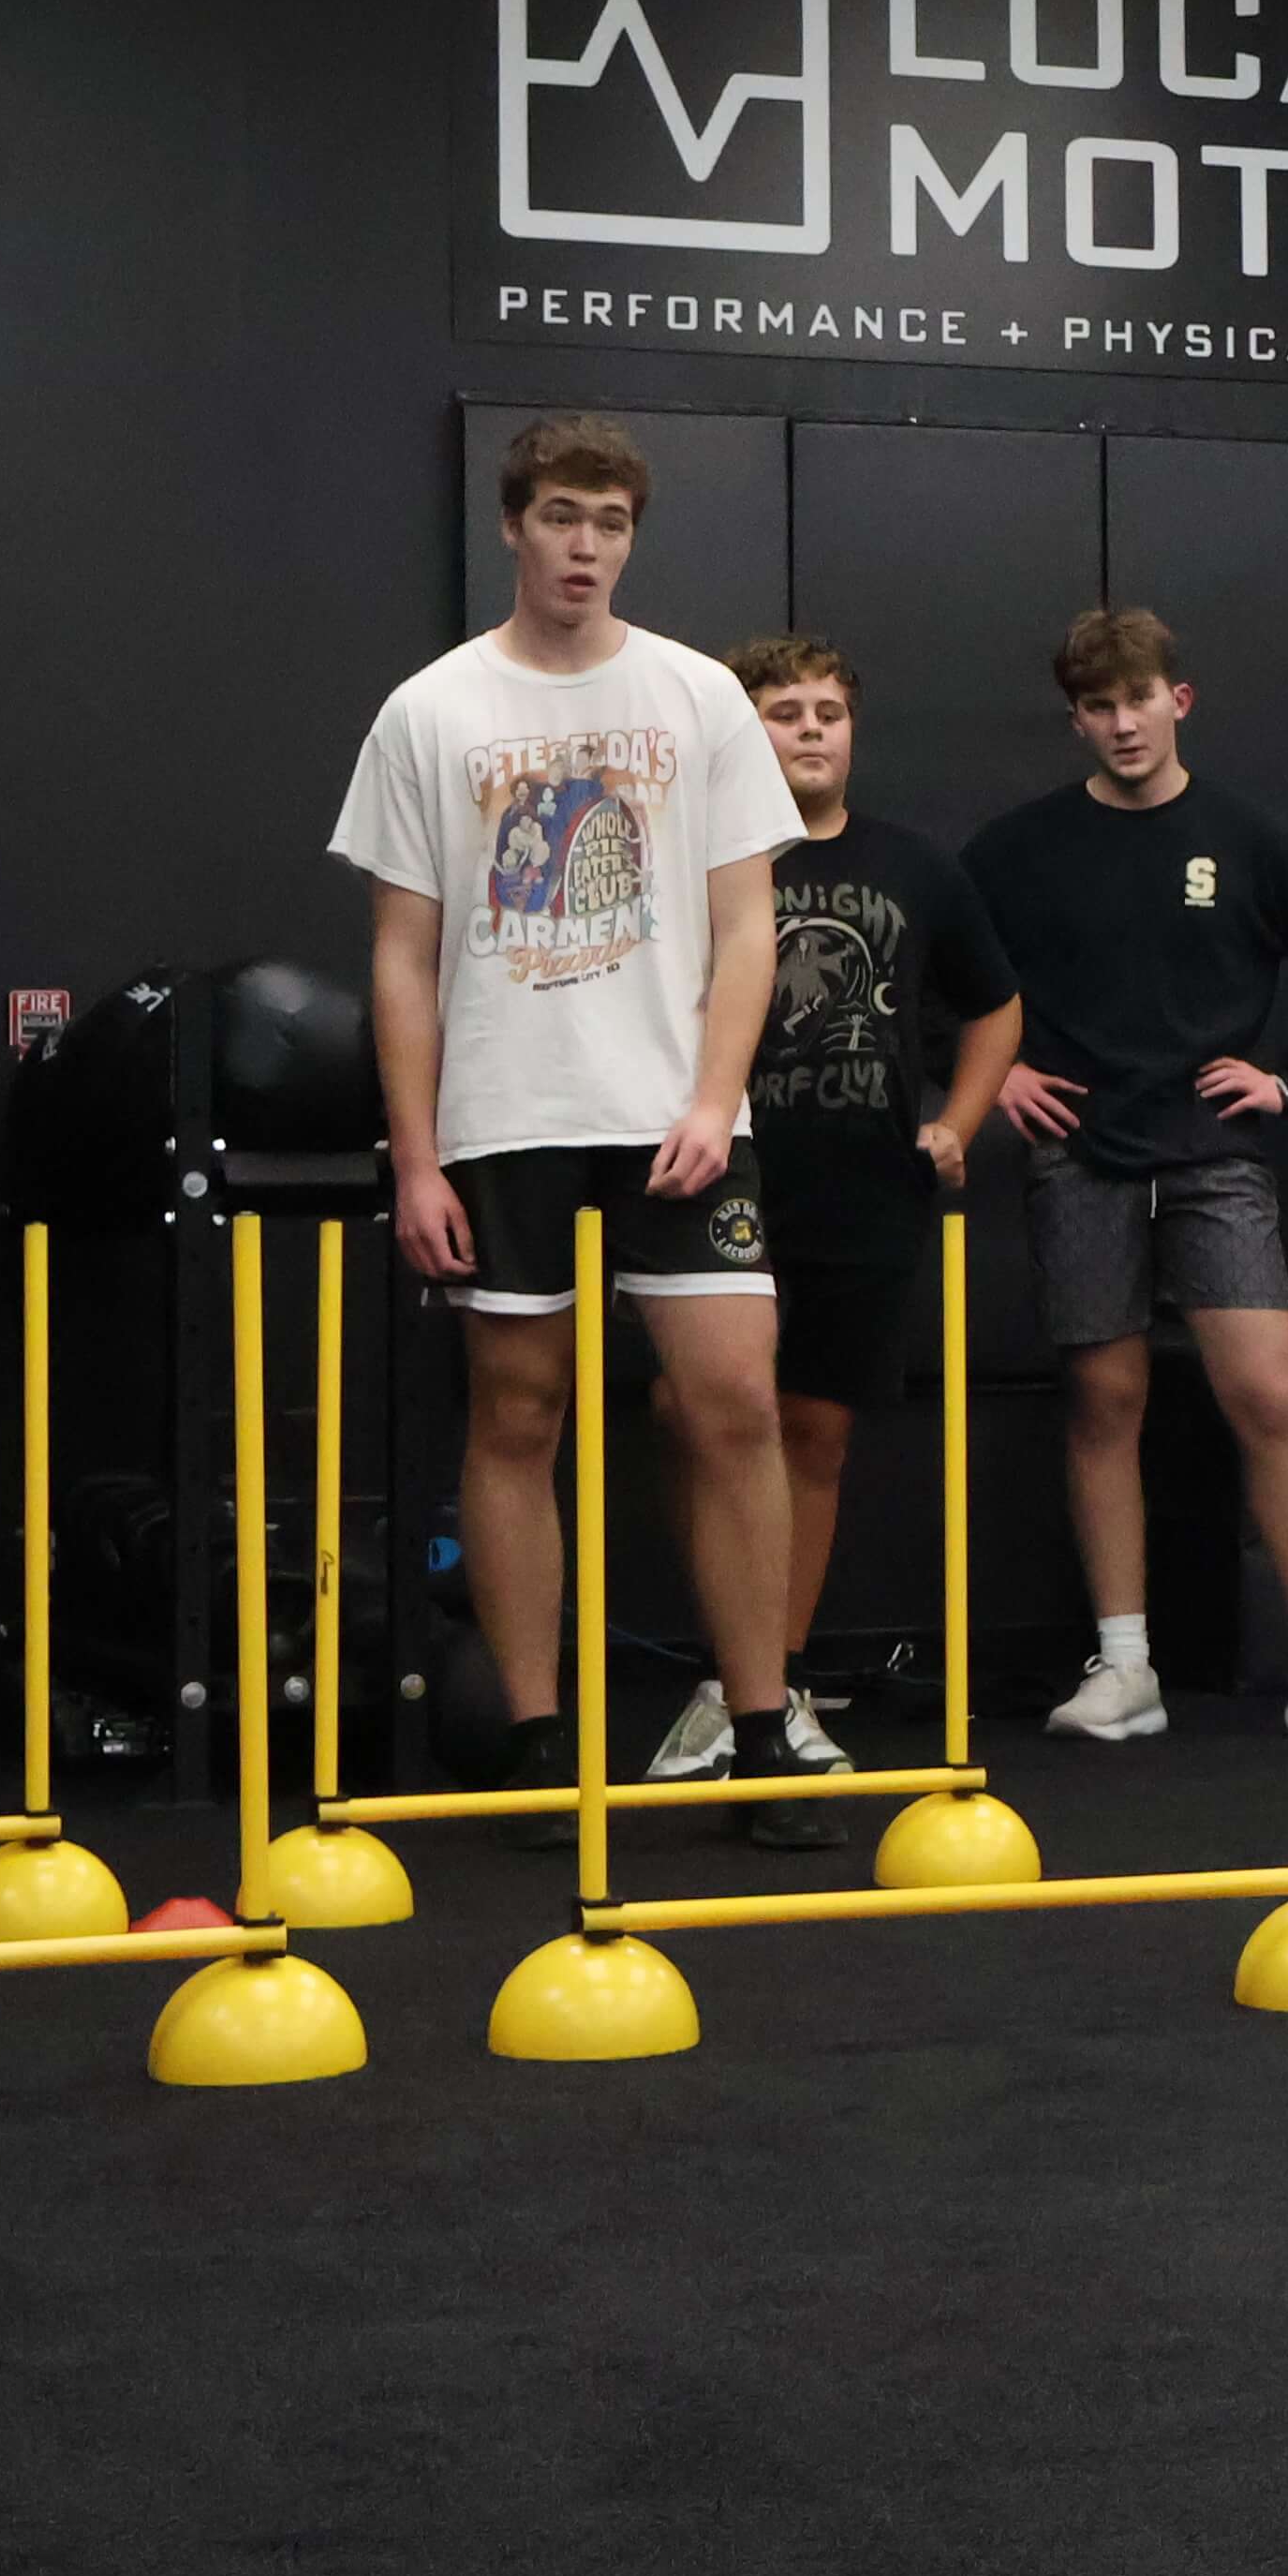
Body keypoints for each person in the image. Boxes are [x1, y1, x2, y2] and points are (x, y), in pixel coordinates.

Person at [337, 416, 836, 1850]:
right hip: (508, 1114)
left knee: (733, 1403)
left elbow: (751, 927)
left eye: (610, 523)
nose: (584, 546)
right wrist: (418, 1153)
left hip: (677, 1112)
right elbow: (400, 955)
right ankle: (546, 1746)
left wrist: (708, 1098)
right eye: (561, 516)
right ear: (514, 525)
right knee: (518, 1414)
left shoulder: (696, 698)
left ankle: (759, 1734)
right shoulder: (431, 710)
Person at [962, 607, 1288, 1748]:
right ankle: (1126, 1667)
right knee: (1104, 1400)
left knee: (1270, 1394)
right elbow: (940, 972)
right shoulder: (1020, 848)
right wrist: (992, 1078)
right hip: (1079, 1153)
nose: (1122, 724)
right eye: (1099, 707)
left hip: (1214, 1153)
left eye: (1140, 700)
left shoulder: (1250, 838)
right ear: (1075, 720)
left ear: (1182, 700)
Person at [634, 635, 1023, 1785]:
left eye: (827, 712)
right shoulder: (701, 860)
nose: (809, 730)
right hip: (722, 1177)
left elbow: (996, 1010)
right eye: (783, 712)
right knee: (693, 1406)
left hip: (864, 1188)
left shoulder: (918, 867)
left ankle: (771, 1688)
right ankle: (730, 1667)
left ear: (854, 729)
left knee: (815, 1430)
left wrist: (956, 1122)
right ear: (741, 730)